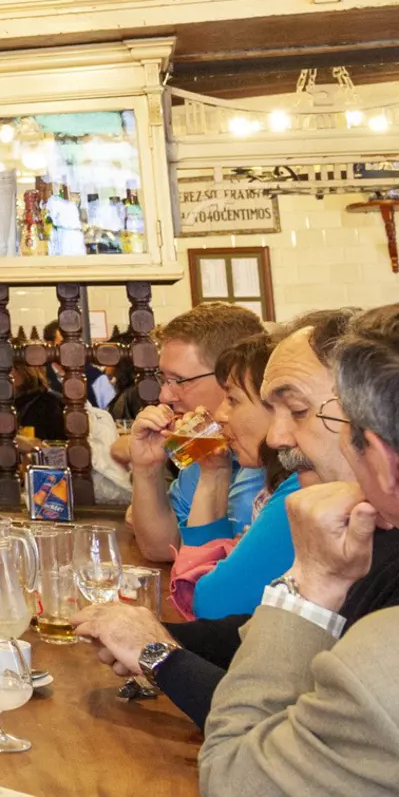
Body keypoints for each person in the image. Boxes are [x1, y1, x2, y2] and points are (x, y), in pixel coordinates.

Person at [75, 311, 363, 726]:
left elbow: (269, 719)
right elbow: (259, 630)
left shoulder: (303, 497)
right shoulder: (232, 464)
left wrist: (158, 650)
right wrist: (152, 635)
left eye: (295, 410)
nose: (167, 395)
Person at [198, 305, 399, 793]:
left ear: (381, 455)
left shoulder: (382, 653)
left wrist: (311, 587)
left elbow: (234, 778)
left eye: (300, 411)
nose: (275, 436)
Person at [120, 302, 267, 562]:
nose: (165, 395)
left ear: (230, 376)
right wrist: (147, 469)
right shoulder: (207, 442)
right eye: (163, 379)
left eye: (180, 381)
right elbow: (162, 549)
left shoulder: (275, 456)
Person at [170, 333, 294, 621]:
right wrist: (214, 473)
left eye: (233, 400)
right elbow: (197, 583)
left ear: (281, 407)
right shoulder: (276, 484)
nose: (220, 414)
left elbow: (210, 603)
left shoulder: (298, 490)